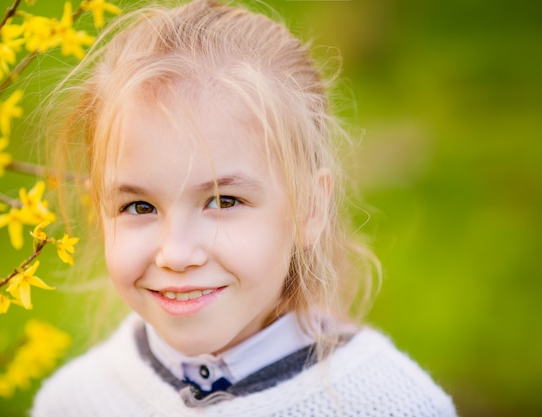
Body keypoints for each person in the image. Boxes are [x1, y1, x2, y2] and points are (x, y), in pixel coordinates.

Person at [31, 0, 457, 415]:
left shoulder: (393, 404)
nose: (176, 254)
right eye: (139, 206)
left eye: (223, 200)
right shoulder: (73, 401)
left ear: (309, 208)